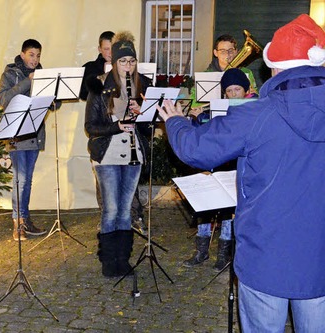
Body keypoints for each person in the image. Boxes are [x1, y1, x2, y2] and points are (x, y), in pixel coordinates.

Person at [158, 14, 325, 332]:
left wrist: (175, 121)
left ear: (275, 66)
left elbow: (195, 148)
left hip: (266, 256)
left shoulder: (257, 115)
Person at [84, 31, 151, 278]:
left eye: (132, 61)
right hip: (108, 154)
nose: (128, 66)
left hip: (134, 154)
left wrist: (142, 112)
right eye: (123, 61)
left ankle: (123, 259)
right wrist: (117, 126)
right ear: (115, 62)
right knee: (111, 209)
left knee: (126, 210)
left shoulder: (143, 85)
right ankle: (108, 260)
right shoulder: (99, 85)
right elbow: (90, 127)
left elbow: (149, 128)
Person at [182, 68, 257, 271]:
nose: (233, 95)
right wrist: (198, 119)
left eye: (237, 90)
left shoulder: (253, 108)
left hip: (235, 165)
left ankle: (223, 253)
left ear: (246, 90)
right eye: (229, 91)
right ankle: (201, 250)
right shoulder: (218, 108)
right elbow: (208, 131)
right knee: (206, 204)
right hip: (217, 163)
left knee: (228, 210)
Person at [0, 38, 50, 241]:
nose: (35, 59)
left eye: (37, 56)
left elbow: (50, 105)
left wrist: (53, 97)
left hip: (35, 134)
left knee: (27, 181)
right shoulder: (10, 73)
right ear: (22, 55)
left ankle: (25, 220)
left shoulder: (43, 75)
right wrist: (29, 81)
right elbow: (3, 100)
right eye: (31, 55)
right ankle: (17, 224)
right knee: (20, 180)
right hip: (16, 134)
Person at [189, 34, 258, 118]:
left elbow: (256, 99)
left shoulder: (246, 73)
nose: (227, 54)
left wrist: (252, 95)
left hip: (239, 115)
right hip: (212, 118)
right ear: (215, 53)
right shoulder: (205, 75)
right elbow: (193, 103)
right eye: (223, 51)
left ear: (236, 51)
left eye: (231, 50)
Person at [80, 31, 115, 101]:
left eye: (113, 48)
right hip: (97, 109)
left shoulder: (126, 66)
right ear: (100, 49)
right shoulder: (89, 68)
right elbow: (83, 95)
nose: (110, 53)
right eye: (106, 49)